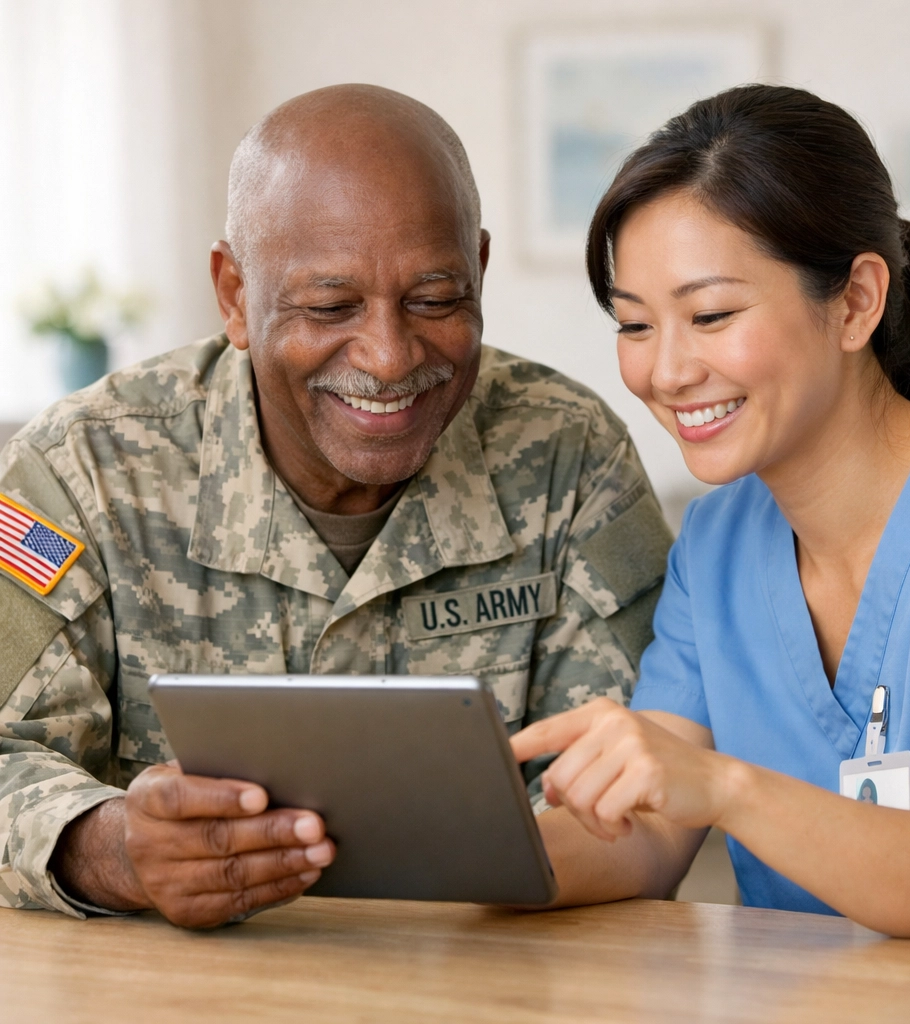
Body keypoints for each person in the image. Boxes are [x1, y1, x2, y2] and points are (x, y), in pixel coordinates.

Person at [0, 85, 672, 928]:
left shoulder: (569, 456)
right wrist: (111, 849)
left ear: (481, 269)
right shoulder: (86, 469)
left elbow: (648, 787)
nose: (389, 358)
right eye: (329, 307)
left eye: (434, 300)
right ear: (235, 295)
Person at [511, 84, 910, 945]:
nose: (665, 373)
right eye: (635, 325)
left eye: (711, 315)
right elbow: (648, 840)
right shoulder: (715, 546)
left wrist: (727, 787)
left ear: (857, 301)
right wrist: (410, 849)